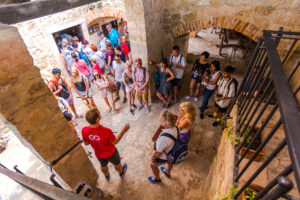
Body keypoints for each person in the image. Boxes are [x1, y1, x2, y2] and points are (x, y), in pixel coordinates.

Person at [82, 109, 129, 181]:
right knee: (117, 164)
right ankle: (121, 172)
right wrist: (123, 131)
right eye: (99, 113)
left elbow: (86, 143)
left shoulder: (84, 130)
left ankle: (107, 176)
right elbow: (115, 142)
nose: (100, 114)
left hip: (98, 154)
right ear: (97, 119)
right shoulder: (106, 131)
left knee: (103, 165)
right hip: (111, 153)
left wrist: (94, 140)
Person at [148, 111, 178, 183]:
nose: (159, 120)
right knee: (170, 162)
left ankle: (157, 179)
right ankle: (167, 173)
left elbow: (158, 153)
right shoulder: (176, 128)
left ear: (166, 123)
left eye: (161, 119)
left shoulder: (163, 139)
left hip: (165, 155)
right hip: (172, 152)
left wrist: (153, 158)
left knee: (152, 165)